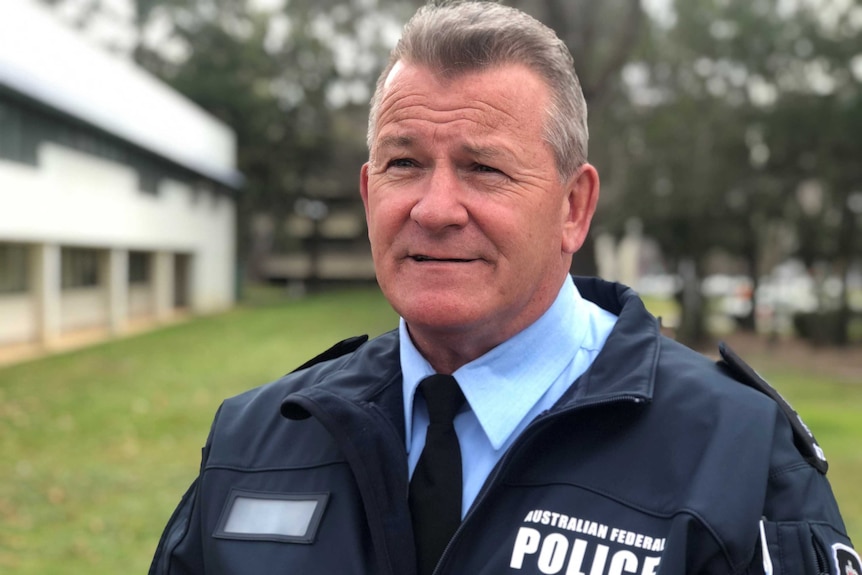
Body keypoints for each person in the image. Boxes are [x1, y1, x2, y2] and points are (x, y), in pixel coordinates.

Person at [149, 2, 858, 574]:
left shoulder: (735, 458)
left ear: (573, 208)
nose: (434, 208)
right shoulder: (257, 442)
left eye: (484, 169)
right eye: (404, 163)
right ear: (368, 193)